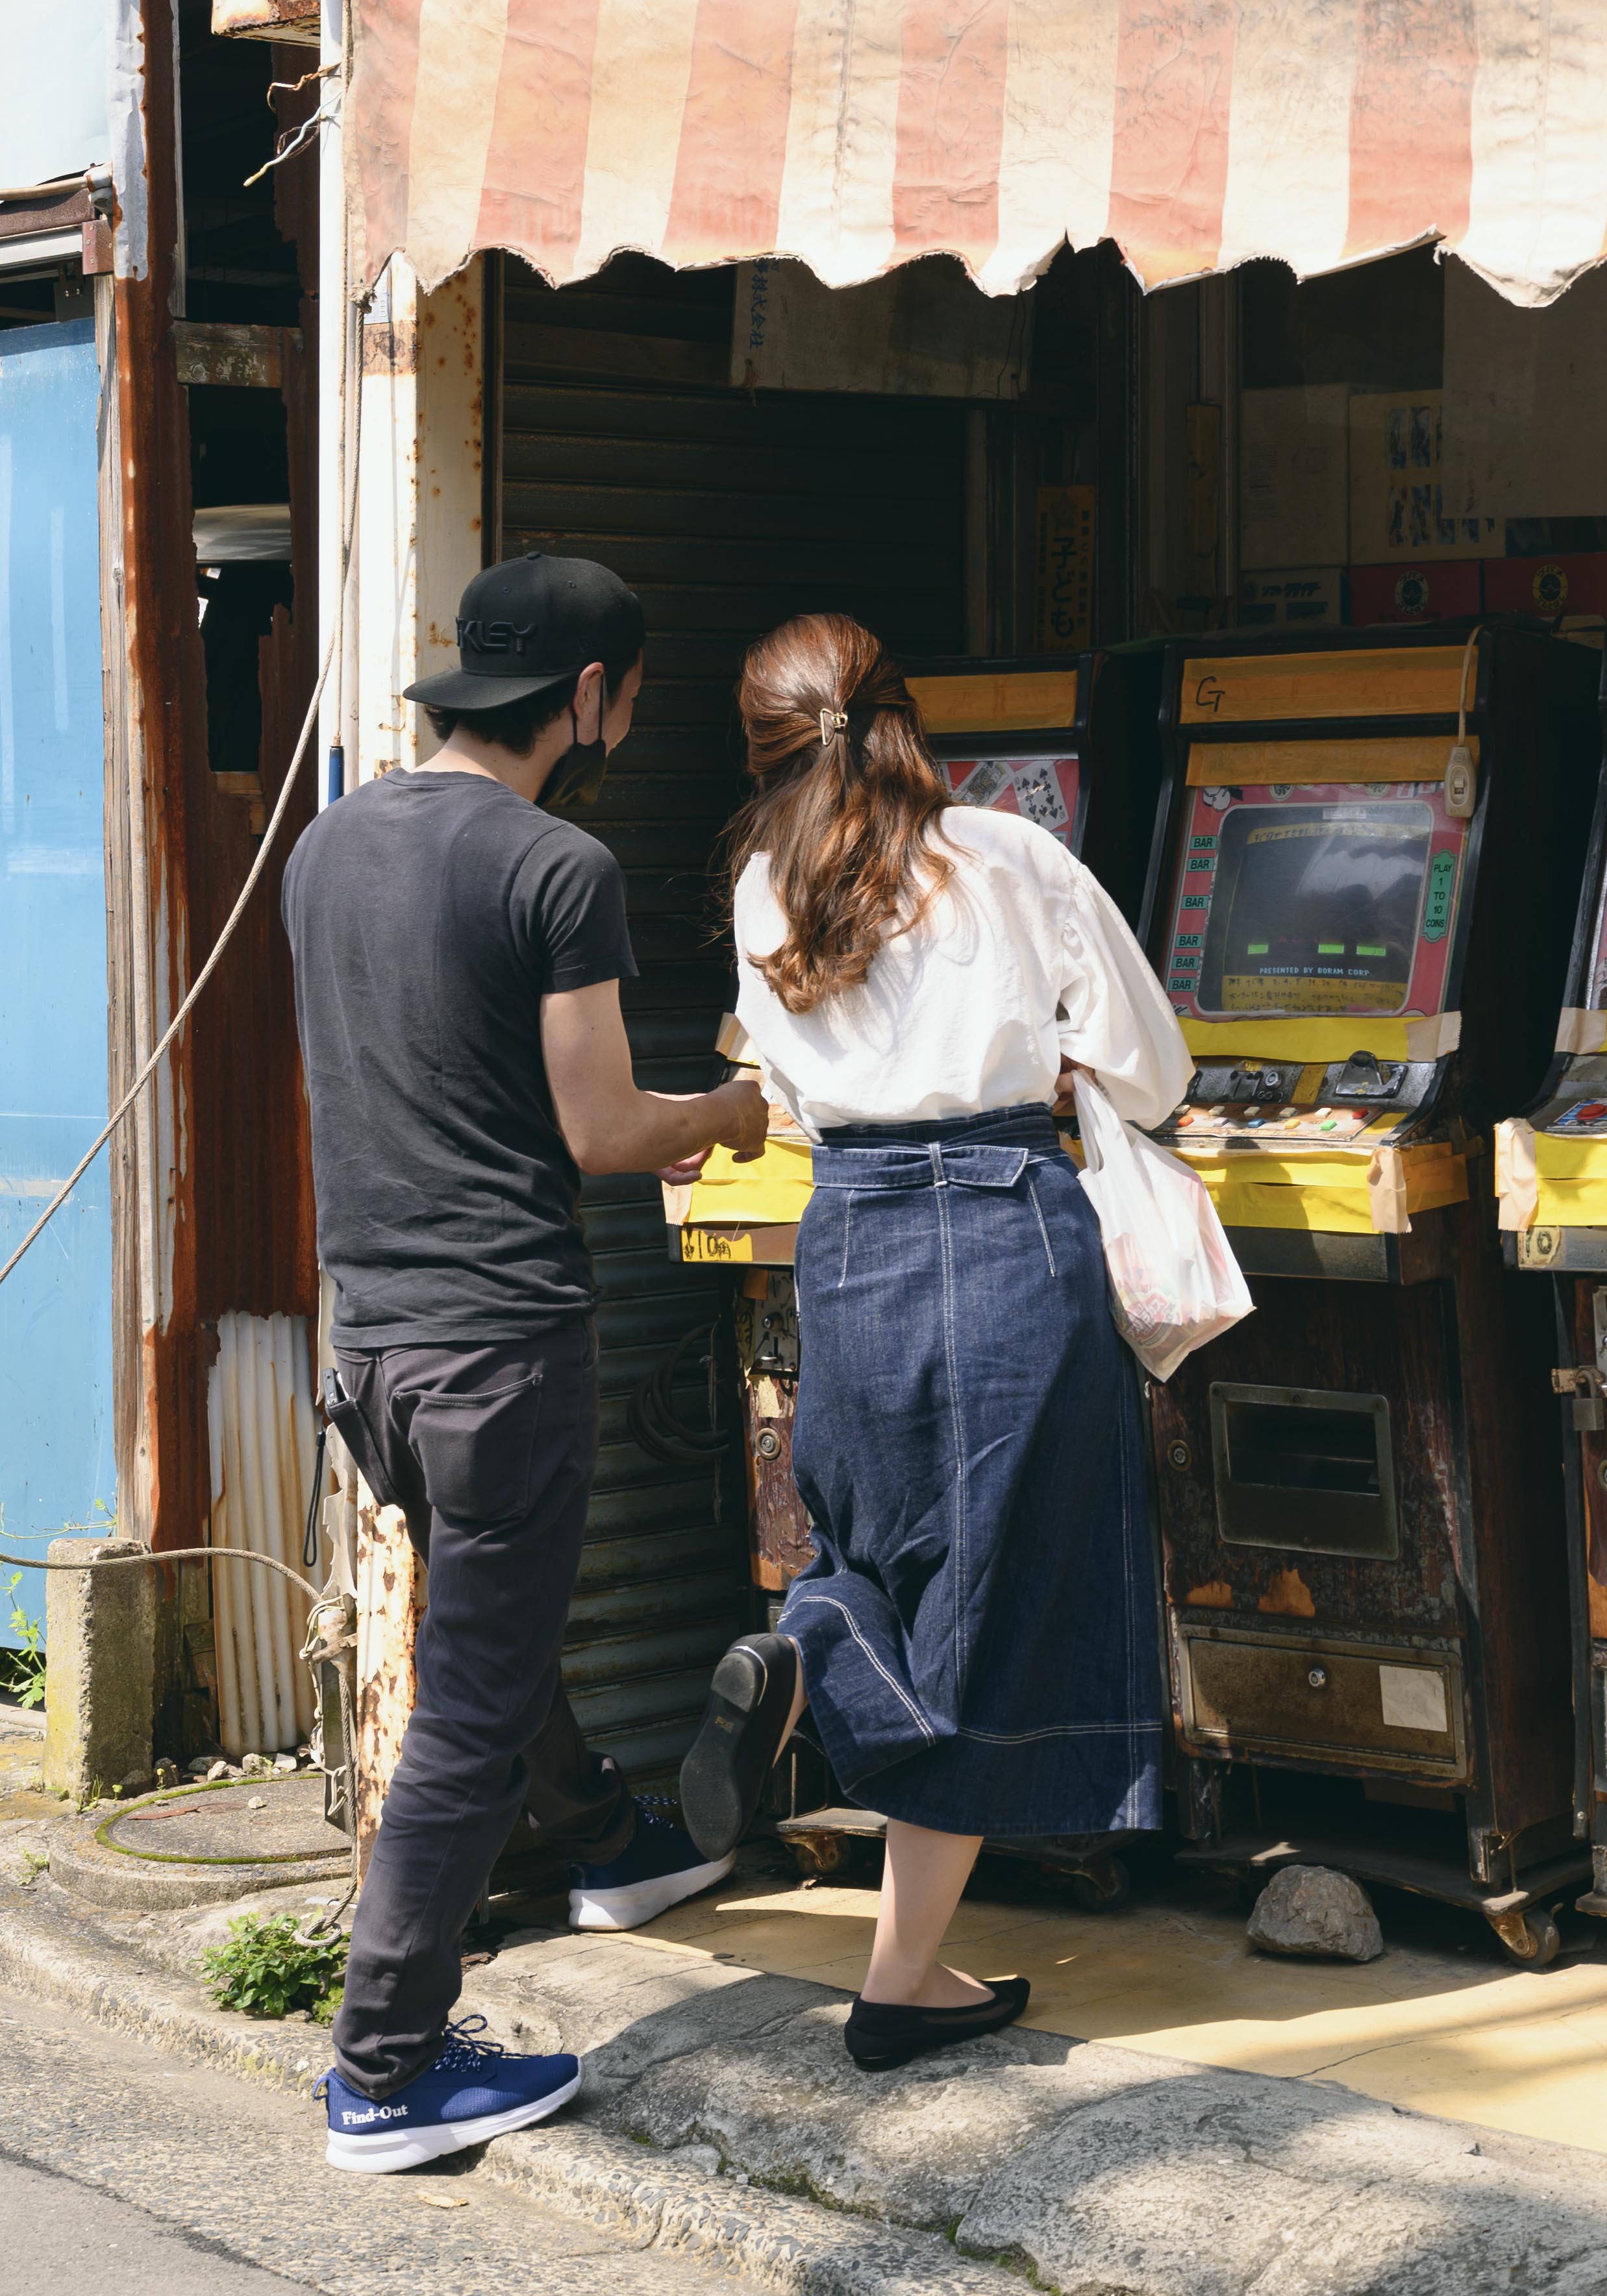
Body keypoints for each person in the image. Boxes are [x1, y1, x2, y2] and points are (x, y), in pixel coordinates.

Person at [283, 552, 771, 2173]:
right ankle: (386, 2066)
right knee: (470, 1698)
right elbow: (606, 1129)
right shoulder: (561, 864)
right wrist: (729, 1112)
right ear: (589, 698)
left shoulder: (330, 841)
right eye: (628, 691)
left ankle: (610, 1837)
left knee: (490, 1621)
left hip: (373, 1346)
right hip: (502, 1346)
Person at [676, 611, 1190, 2069]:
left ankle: (901, 1964)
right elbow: (1155, 1067)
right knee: (996, 1589)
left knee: (884, 1547)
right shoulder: (1008, 854)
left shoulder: (761, 887)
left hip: (848, 1237)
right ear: (904, 714)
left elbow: (772, 1080)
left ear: (767, 742)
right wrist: (1071, 1058)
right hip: (1003, 1223)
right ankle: (814, 1659)